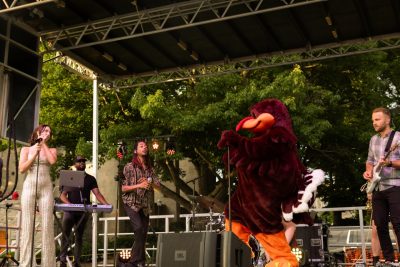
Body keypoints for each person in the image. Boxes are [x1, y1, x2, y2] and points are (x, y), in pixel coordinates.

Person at [363, 107, 400, 266]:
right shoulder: (373, 139)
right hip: (378, 187)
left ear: (387, 120)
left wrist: (390, 163)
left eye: (377, 119)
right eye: (373, 120)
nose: (374, 123)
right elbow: (370, 160)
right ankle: (390, 259)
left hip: (395, 186)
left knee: (398, 223)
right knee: (380, 224)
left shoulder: (398, 138)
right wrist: (368, 172)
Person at [59, 156, 110, 267]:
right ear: (75, 164)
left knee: (79, 236)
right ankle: (62, 260)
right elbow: (62, 196)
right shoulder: (70, 177)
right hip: (70, 211)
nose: (82, 162)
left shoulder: (91, 179)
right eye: (79, 161)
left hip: (83, 211)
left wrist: (106, 204)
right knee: (66, 234)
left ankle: (76, 261)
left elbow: (97, 194)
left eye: (83, 161)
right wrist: (70, 205)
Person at [18, 124, 57, 267]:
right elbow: (22, 169)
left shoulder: (51, 150)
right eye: (45, 130)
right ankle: (27, 263)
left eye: (49, 132)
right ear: (37, 132)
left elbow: (52, 161)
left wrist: (43, 143)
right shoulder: (26, 149)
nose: (48, 133)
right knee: (28, 225)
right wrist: (34, 152)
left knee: (47, 226)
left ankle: (48, 264)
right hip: (29, 186)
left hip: (46, 188)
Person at [121, 140, 160, 267]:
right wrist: (140, 184)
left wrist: (149, 183)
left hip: (145, 205)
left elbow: (158, 186)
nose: (145, 148)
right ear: (135, 150)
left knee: (143, 232)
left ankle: (140, 262)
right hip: (131, 202)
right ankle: (134, 261)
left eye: (145, 146)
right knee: (138, 228)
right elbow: (123, 188)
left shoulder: (150, 169)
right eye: (141, 146)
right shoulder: (129, 167)